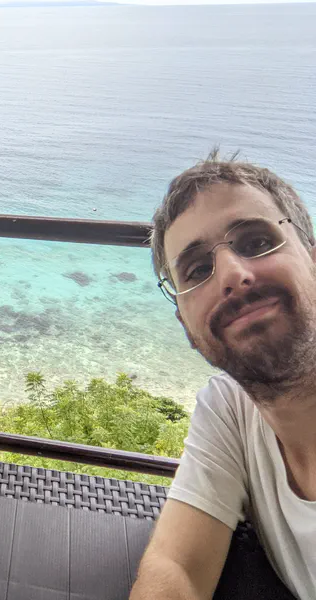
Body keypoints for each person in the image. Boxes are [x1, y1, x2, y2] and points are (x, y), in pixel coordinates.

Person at [130, 154, 316, 599]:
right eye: (197, 270)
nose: (233, 275)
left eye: (255, 242)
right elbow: (176, 567)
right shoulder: (230, 408)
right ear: (184, 322)